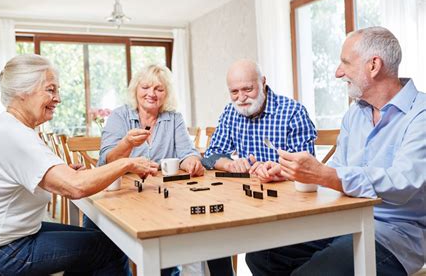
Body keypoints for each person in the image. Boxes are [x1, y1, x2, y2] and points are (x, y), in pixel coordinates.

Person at [246, 27, 426, 275]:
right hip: (343, 221)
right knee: (262, 254)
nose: (338, 72)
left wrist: (324, 175)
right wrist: (296, 173)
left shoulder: (421, 115)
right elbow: (336, 171)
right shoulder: (355, 113)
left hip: (392, 235)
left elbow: (405, 182)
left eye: (345, 63)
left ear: (374, 65)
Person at [0, 54, 159, 276]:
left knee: (99, 241)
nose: (58, 98)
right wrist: (126, 162)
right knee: (108, 248)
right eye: (51, 90)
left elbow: (36, 178)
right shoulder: (13, 134)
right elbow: (75, 187)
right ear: (22, 91)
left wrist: (59, 176)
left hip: (2, 242)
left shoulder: (11, 128)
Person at [91, 64, 233, 276]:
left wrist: (192, 161)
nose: (151, 94)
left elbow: (187, 152)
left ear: (166, 94)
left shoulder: (173, 118)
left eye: (159, 89)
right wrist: (126, 144)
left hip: (163, 198)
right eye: (146, 87)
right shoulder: (120, 116)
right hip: (125, 196)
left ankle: (170, 268)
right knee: (108, 243)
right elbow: (107, 159)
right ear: (135, 89)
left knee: (204, 226)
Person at [202, 59, 316, 182]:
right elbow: (211, 154)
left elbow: (305, 167)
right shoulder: (231, 111)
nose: (241, 98)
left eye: (248, 89)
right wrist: (230, 165)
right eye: (234, 92)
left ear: (263, 82)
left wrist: (276, 170)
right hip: (249, 190)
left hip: (286, 193)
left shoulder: (293, 112)